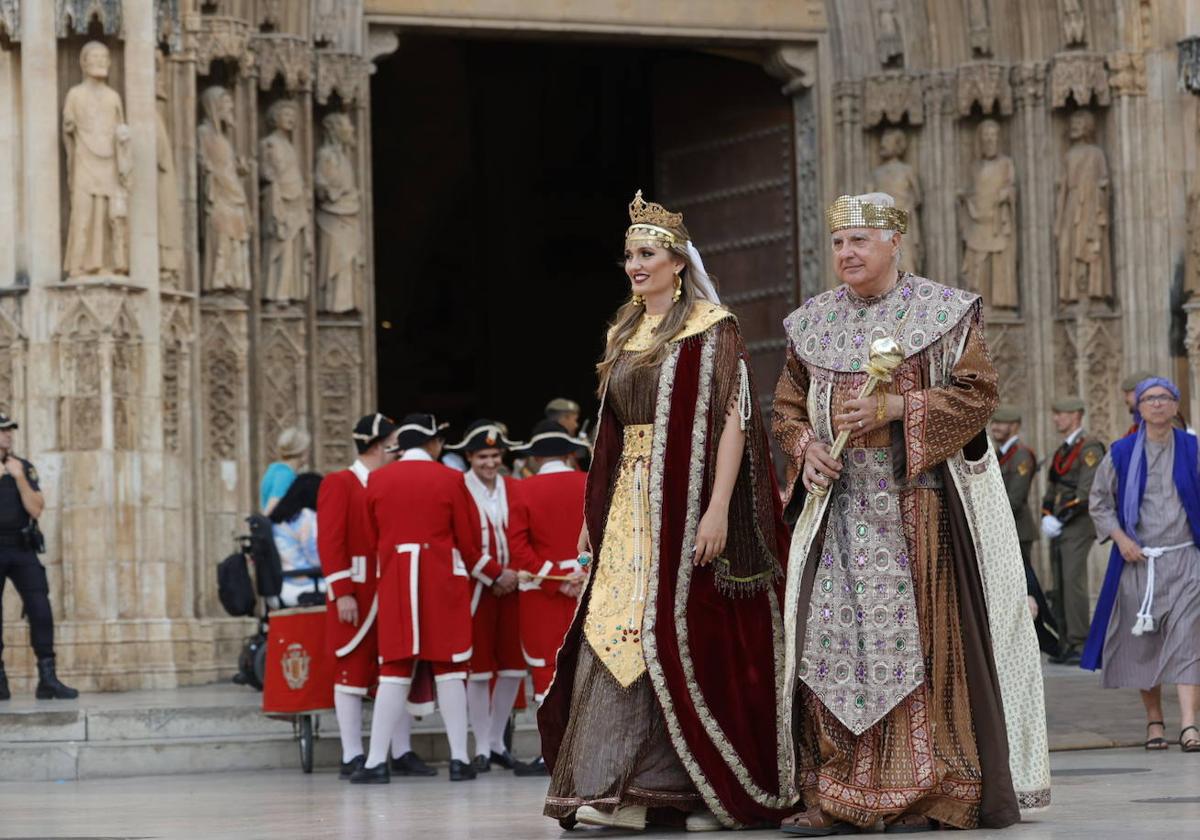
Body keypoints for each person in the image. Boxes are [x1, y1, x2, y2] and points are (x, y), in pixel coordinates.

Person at [773, 193, 1049, 835]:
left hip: (916, 508)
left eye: (861, 240)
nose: (847, 252)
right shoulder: (810, 323)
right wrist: (806, 447)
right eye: (839, 241)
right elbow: (786, 405)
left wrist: (897, 411)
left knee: (920, 651)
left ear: (895, 242)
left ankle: (927, 794)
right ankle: (837, 793)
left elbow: (978, 395)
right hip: (839, 511)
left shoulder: (943, 313)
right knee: (830, 647)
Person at [540, 190, 794, 832]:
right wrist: (590, 514)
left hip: (684, 499)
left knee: (678, 634)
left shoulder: (712, 326)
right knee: (616, 633)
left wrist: (715, 511)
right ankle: (630, 787)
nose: (634, 265)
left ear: (677, 262)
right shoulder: (623, 330)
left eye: (647, 254)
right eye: (628, 255)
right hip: (628, 499)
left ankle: (696, 790)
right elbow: (610, 431)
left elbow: (736, 423)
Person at [352, 413, 483, 784]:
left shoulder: (377, 479)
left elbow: (368, 537)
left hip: (395, 580)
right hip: (441, 581)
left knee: (393, 669)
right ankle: (459, 758)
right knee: (450, 668)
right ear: (432, 443)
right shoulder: (452, 479)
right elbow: (469, 539)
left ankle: (377, 761)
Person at [1083, 377, 1200, 754]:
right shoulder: (1120, 452)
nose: (1158, 405)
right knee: (1145, 646)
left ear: (1176, 404)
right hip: (1139, 562)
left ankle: (1189, 726)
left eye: (1165, 398)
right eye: (1150, 399)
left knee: (1188, 639)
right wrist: (1121, 539)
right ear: (1139, 407)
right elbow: (1099, 502)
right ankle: (1154, 721)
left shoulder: (1193, 449)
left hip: (1185, 559)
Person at [318, 413, 436, 780]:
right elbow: (330, 541)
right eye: (394, 442)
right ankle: (352, 753)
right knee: (350, 673)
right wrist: (342, 592)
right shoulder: (340, 483)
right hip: (356, 590)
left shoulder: (390, 481)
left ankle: (399, 750)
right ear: (378, 444)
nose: (398, 449)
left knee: (395, 671)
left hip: (392, 588)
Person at [507, 420, 590, 776]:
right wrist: (581, 571)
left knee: (545, 668)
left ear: (536, 457)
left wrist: (555, 579)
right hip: (587, 585)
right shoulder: (588, 482)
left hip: (542, 593)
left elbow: (518, 549)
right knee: (584, 665)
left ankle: (551, 751)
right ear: (570, 453)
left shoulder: (521, 491)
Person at [445, 420, 525, 774]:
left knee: (511, 666)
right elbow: (461, 541)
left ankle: (495, 743)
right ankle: (479, 746)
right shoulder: (460, 488)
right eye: (482, 456)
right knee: (478, 670)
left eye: (495, 455)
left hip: (514, 586)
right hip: (476, 588)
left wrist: (514, 574)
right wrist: (494, 573)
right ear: (469, 457)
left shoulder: (514, 487)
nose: (490, 462)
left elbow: (523, 531)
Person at [0, 412, 77, 700]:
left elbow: (36, 508)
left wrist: (18, 477)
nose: (8, 435)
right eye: (3, 431)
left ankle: (48, 678)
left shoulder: (23, 467)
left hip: (22, 548)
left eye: (9, 430)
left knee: (40, 609)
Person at [1041, 396, 1105, 665]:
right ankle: (1065, 641)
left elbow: (1086, 491)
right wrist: (1047, 514)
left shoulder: (1089, 447)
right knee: (1060, 582)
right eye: (1055, 414)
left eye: (1062, 414)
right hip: (1060, 524)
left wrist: (1060, 517)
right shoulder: (1063, 450)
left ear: (1077, 415)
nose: (1056, 419)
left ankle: (1079, 642)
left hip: (1078, 523)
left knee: (1073, 582)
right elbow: (1053, 487)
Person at [992, 405, 1058, 656]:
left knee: (1025, 585)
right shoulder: (1001, 455)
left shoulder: (1021, 456)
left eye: (1002, 423)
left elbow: (1015, 498)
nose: (996, 427)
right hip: (1002, 530)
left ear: (1015, 426)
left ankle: (1042, 635)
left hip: (1017, 530)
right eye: (994, 423)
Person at [268, 472, 326, 607]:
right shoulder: (307, 517)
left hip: (282, 585)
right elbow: (316, 558)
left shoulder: (278, 520)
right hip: (306, 584)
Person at [260, 427, 310, 515]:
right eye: (307, 449)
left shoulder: (275, 469)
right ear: (302, 452)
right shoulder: (286, 475)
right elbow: (271, 509)